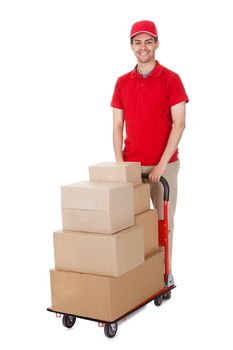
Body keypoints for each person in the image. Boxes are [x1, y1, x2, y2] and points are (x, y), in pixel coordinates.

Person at [111, 20, 189, 280]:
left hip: (164, 166)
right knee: (133, 225)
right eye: (137, 42)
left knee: (163, 224)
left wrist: (162, 165)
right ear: (131, 46)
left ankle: (165, 273)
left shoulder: (171, 79)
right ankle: (140, 276)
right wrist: (121, 165)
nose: (142, 47)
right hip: (132, 166)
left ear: (156, 44)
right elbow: (117, 126)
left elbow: (179, 124)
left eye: (148, 41)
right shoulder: (122, 82)